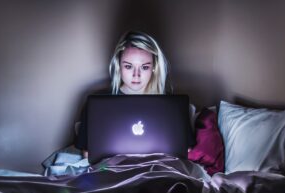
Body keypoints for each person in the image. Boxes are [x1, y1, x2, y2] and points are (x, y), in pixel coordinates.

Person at [74, 31, 195, 159]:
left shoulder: (172, 105)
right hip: (114, 171)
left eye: (144, 67)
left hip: (158, 170)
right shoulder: (97, 105)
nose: (136, 75)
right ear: (118, 66)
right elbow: (88, 154)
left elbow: (186, 150)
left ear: (154, 67)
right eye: (128, 66)